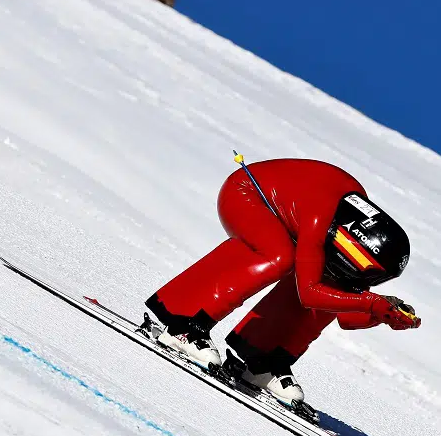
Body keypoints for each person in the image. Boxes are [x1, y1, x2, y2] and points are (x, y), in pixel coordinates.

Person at [145, 158, 420, 406]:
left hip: (286, 215)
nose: (366, 282)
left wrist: (384, 313)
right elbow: (310, 295)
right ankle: (183, 324)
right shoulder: (321, 218)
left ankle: (261, 361)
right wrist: (371, 302)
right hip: (246, 193)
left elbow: (346, 314)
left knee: (334, 281)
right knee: (280, 256)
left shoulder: (352, 231)